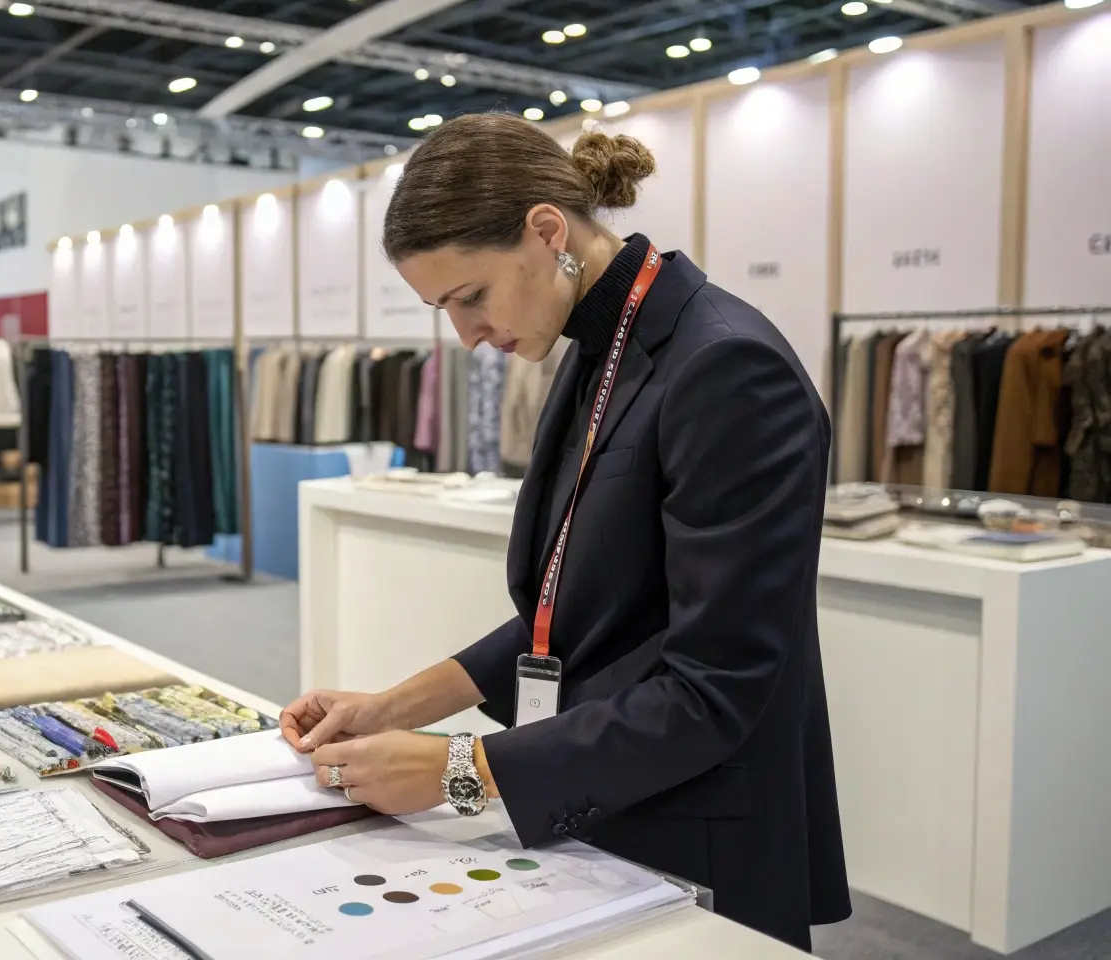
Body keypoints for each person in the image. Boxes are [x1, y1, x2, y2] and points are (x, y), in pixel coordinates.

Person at [280, 113, 850, 950]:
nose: (467, 335)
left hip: (699, 833)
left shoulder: (726, 366)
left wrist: (456, 774)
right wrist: (393, 706)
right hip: (601, 806)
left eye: (469, 297)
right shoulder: (599, 343)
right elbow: (588, 602)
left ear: (547, 231)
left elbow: (715, 688)